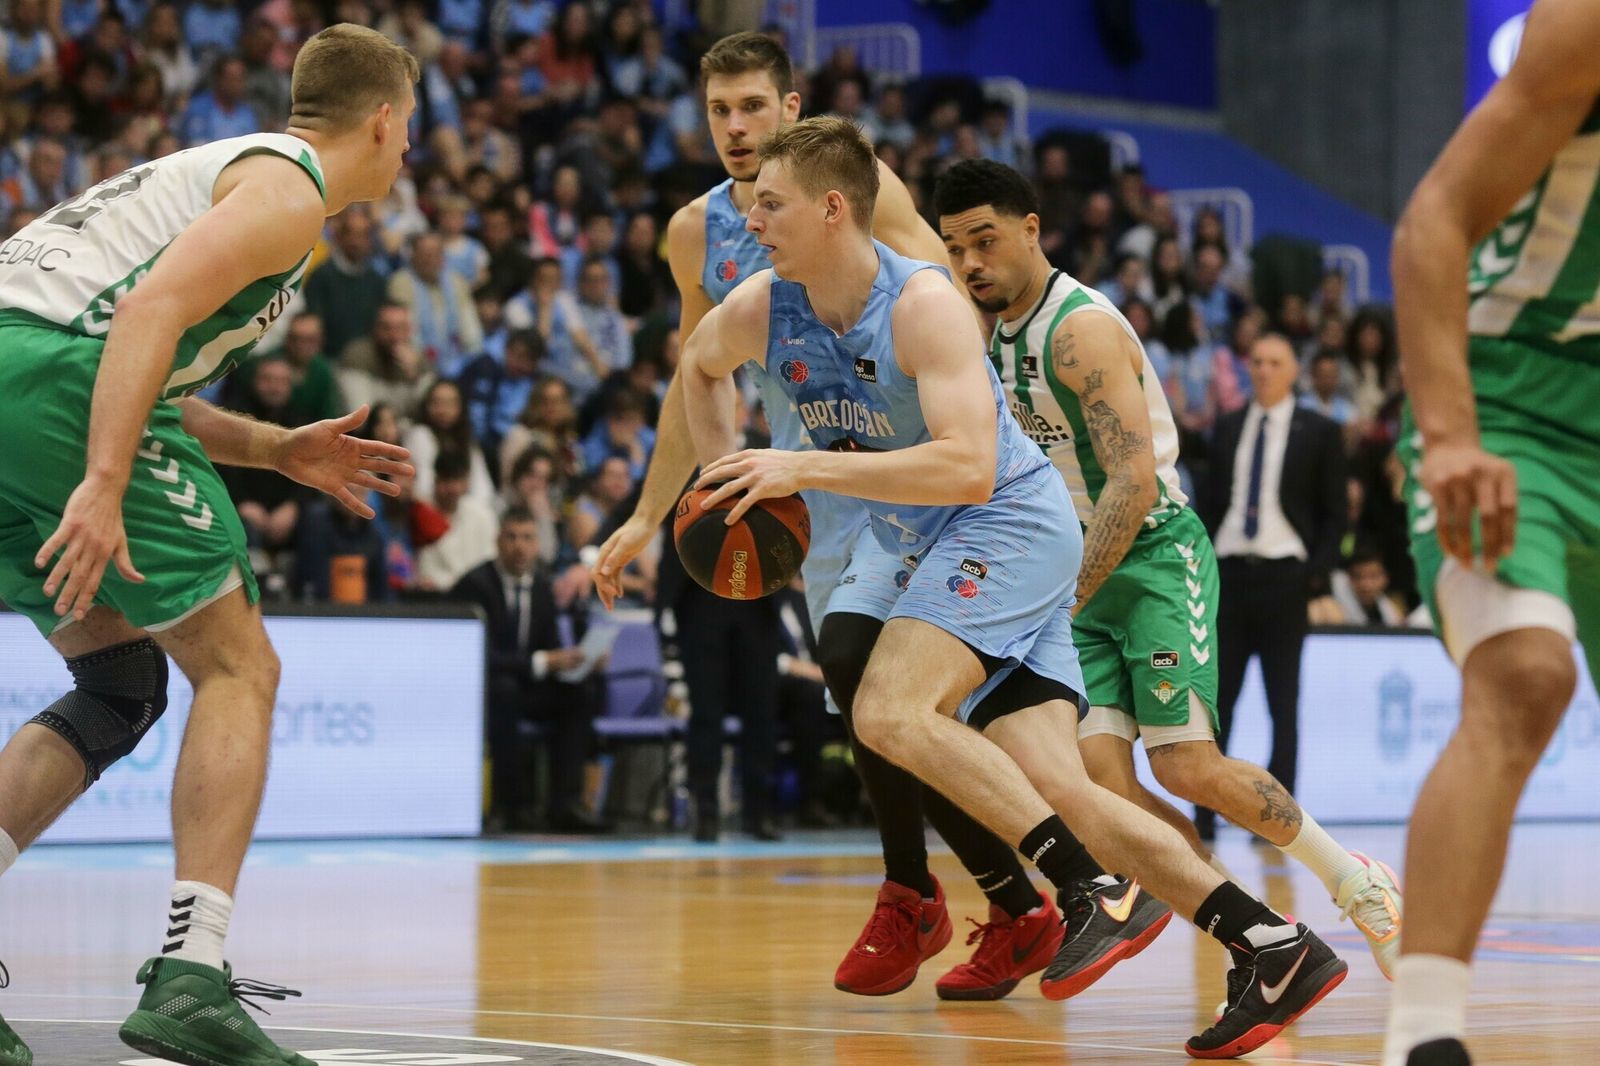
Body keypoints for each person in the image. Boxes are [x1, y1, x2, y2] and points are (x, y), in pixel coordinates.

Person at [681, 115, 1346, 1058]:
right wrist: (726, 483)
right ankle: (1272, 944)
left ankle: (1085, 891)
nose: (752, 219)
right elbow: (697, 367)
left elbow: (965, 468)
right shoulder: (764, 304)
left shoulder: (922, 304)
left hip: (1009, 526)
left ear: (834, 209)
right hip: (928, 542)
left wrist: (797, 468)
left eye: (772, 204)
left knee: (887, 708)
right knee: (1060, 786)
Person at [588, 31, 1069, 1002]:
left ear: (792, 111)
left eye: (752, 109)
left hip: (900, 460)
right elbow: (698, 373)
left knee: (893, 691)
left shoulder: (863, 189)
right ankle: (972, 895)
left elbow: (949, 317)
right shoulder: (696, 232)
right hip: (804, 480)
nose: (734, 127)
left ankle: (943, 890)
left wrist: (974, 434)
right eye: (719, 109)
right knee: (860, 688)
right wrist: (658, 510)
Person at [0, 24, 416, 1066]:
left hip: (20, 376)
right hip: (54, 381)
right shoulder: (287, 192)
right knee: (240, 664)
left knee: (118, 683)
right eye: (409, 129)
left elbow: (154, 377)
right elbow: (139, 319)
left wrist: (276, 447)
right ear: (383, 121)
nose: (410, 148)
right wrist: (99, 482)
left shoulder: (234, 182)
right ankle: (193, 975)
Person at [934, 160, 1402, 1006]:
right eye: (955, 246)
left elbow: (1134, 482)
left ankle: (1353, 877)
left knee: (1184, 765)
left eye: (986, 240)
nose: (970, 262)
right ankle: (1259, 935)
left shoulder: (1079, 328)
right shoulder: (989, 330)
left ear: (1033, 229)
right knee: (1098, 790)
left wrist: (1058, 596)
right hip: (1068, 571)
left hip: (1149, 555)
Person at [1382, 3, 1600, 1063]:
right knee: (1523, 674)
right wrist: (1449, 435)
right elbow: (1433, 217)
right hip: (1511, 402)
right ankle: (1423, 1035)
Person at [1196, 336, 1347, 840]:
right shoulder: (1229, 426)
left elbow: (1335, 514)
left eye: (1274, 362)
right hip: (1231, 574)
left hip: (1286, 577)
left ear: (1292, 371)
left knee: (1284, 703)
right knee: (1220, 700)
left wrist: (1314, 573)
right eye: (1255, 361)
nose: (1263, 370)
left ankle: (1278, 822)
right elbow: (1213, 503)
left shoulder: (1320, 431)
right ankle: (1205, 814)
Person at [451, 507, 608, 833]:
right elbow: (477, 655)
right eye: (512, 537)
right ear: (497, 542)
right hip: (485, 687)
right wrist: (542, 661)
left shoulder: (542, 586)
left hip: (529, 684)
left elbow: (549, 645)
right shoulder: (475, 585)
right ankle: (511, 807)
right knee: (504, 691)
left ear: (538, 545)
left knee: (579, 693)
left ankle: (565, 805)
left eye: (527, 538)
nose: (519, 546)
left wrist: (576, 660)